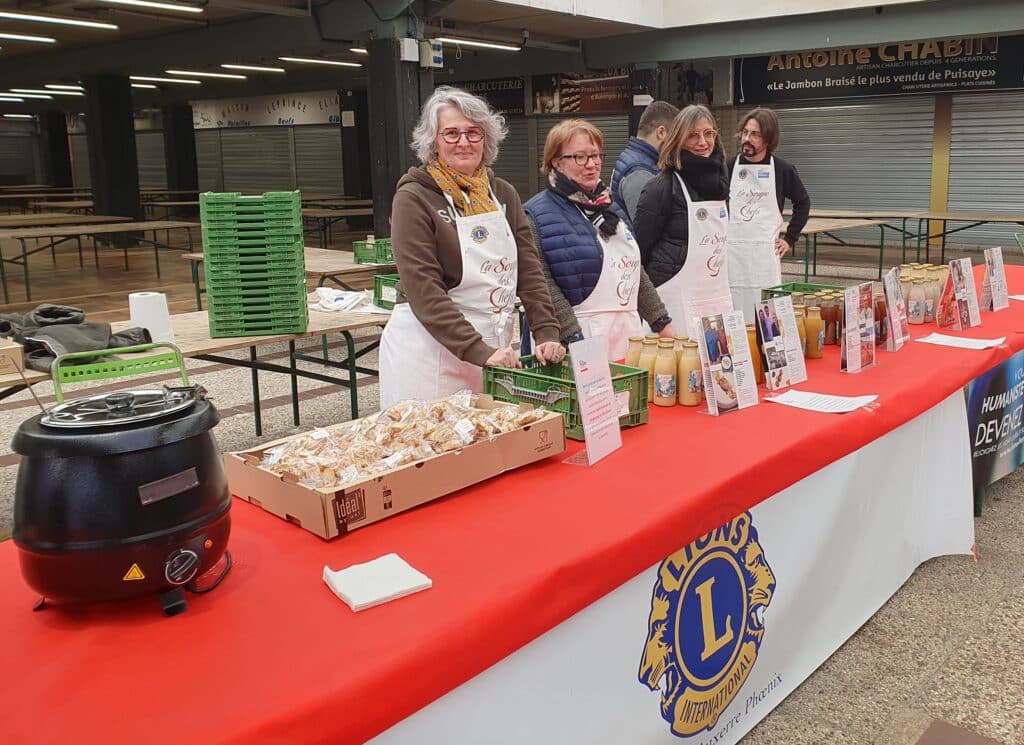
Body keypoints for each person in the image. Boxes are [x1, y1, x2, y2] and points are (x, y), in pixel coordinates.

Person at [379, 86, 565, 407]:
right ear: (433, 142)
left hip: (495, 352)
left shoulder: (503, 194)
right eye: (451, 134)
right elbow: (424, 290)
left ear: (486, 139)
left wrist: (546, 332)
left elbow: (530, 272)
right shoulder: (413, 198)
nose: (463, 142)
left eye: (473, 133)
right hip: (430, 353)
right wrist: (478, 350)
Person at [524, 118, 675, 362]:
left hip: (627, 338)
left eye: (596, 156)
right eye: (580, 157)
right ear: (556, 162)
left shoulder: (610, 208)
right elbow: (542, 284)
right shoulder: (535, 214)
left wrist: (662, 323)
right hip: (576, 344)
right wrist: (574, 338)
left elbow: (634, 273)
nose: (592, 164)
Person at [634, 104, 732, 340]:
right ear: (677, 139)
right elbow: (639, 253)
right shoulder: (661, 187)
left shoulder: (721, 184)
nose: (703, 142)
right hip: (674, 301)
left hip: (715, 294)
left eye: (708, 134)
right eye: (693, 135)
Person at [727, 107, 811, 321]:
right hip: (732, 256)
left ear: (768, 138)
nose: (747, 139)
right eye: (745, 132)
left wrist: (790, 239)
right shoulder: (727, 167)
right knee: (733, 312)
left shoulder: (782, 169)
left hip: (764, 257)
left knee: (765, 315)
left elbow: (803, 202)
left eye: (755, 134)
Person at [609, 100, 679, 222]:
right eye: (676, 136)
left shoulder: (636, 161)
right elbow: (646, 229)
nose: (678, 144)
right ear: (661, 132)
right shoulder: (639, 171)